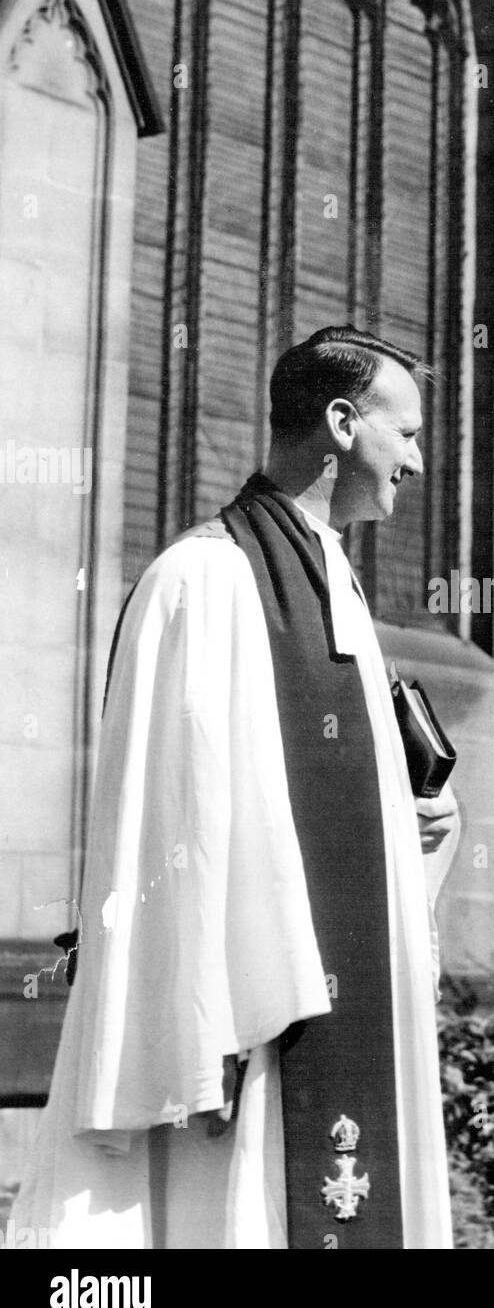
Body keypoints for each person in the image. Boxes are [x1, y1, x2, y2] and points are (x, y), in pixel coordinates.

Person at [13, 326, 459, 1249]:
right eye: (406, 432)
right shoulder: (203, 581)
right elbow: (171, 823)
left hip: (337, 1011)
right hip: (244, 1044)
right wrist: (196, 1026)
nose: (418, 460)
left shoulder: (333, 580)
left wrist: (417, 836)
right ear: (341, 422)